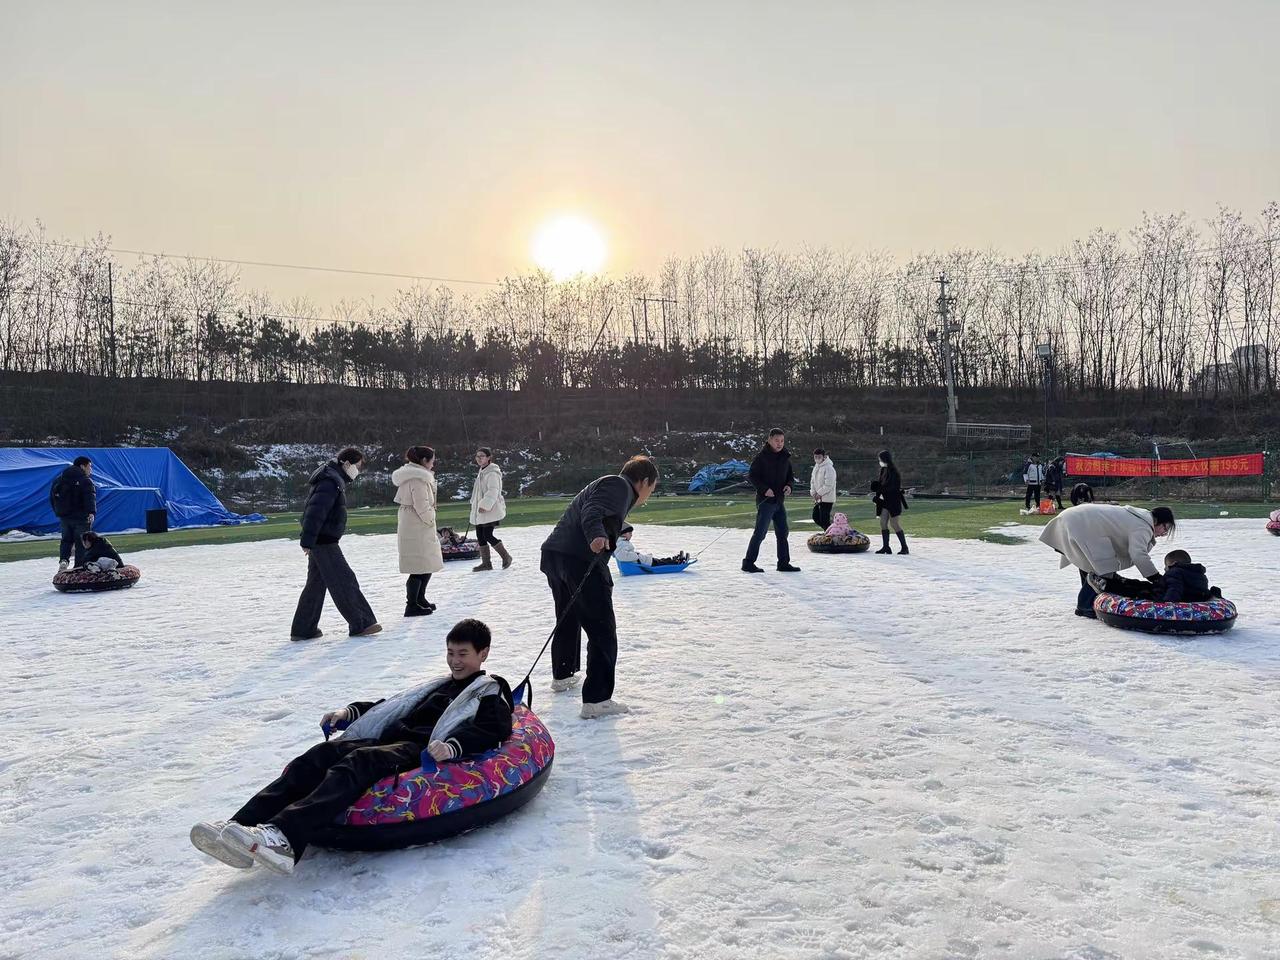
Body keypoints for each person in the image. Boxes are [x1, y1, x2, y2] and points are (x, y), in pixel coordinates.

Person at [189, 618, 513, 876]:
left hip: (418, 748)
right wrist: (349, 713)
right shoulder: (438, 685)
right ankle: (241, 826)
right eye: (451, 653)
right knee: (319, 755)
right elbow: (393, 706)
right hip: (388, 738)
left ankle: (284, 838)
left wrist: (453, 746)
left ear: (483, 653)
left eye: (463, 654)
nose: (455, 661)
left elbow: (494, 728)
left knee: (360, 760)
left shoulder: (488, 689)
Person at [541, 456, 659, 719]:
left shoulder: (610, 485)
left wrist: (619, 527)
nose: (648, 496)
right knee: (602, 627)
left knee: (568, 617)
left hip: (556, 555)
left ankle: (563, 674)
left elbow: (596, 508)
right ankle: (597, 699)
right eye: (652, 489)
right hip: (580, 559)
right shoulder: (619, 485)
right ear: (644, 481)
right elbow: (593, 511)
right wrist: (596, 534)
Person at [290, 447, 381, 641]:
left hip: (321, 539)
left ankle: (303, 629)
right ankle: (362, 622)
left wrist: (309, 540)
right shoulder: (330, 481)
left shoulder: (331, 477)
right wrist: (307, 541)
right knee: (344, 580)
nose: (357, 471)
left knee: (315, 585)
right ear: (347, 464)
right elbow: (315, 512)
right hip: (324, 541)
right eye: (357, 466)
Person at [1038, 502, 1177, 618]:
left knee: (1092, 565)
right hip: (1080, 524)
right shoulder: (1143, 526)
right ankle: (1085, 606)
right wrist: (1156, 578)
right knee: (1102, 568)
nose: (1164, 533)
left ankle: (1088, 603)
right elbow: (1138, 555)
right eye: (1165, 528)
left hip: (1074, 519)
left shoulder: (1140, 517)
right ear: (1157, 521)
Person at [392, 446, 444, 617]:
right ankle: (412, 604)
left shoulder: (415, 475)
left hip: (414, 524)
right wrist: (431, 518)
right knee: (418, 565)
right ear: (424, 461)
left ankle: (420, 599)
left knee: (425, 563)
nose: (433, 464)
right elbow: (422, 505)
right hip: (417, 525)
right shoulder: (418, 479)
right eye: (432, 461)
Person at [741, 429, 801, 574]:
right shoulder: (761, 457)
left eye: (782, 441)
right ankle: (748, 563)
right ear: (769, 440)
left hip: (779, 501)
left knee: (783, 532)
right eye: (776, 440)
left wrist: (789, 486)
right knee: (760, 533)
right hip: (766, 501)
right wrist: (764, 489)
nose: (779, 443)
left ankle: (783, 563)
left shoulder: (785, 457)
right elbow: (752, 476)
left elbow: (790, 477)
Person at [1088, 549, 1219, 603]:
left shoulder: (1175, 572)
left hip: (1159, 596)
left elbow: (1175, 588)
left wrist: (1168, 603)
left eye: (1166, 566)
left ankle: (1107, 585)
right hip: (1185, 598)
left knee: (1138, 589)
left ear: (1172, 564)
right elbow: (1201, 591)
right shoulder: (1199, 574)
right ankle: (1120, 580)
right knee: (1143, 584)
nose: (1165, 569)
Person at [49, 455, 96, 571]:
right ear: (82, 466)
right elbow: (90, 498)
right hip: (81, 518)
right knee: (81, 542)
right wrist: (91, 512)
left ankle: (64, 561)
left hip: (65, 517)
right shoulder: (86, 481)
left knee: (66, 540)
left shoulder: (59, 479)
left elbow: (52, 497)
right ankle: (79, 566)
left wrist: (58, 512)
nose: (90, 469)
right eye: (89, 466)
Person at [469, 447, 512, 571]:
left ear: (488, 458)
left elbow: (493, 491)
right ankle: (486, 563)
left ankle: (506, 556)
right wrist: (475, 505)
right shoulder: (482, 471)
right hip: (480, 510)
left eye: (482, 456)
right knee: (480, 535)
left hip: (490, 510)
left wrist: (485, 505)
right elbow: (477, 492)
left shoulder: (492, 473)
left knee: (487, 535)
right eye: (477, 456)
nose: (479, 458)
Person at [871, 449, 909, 555]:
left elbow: (893, 488)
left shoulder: (894, 472)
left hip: (893, 501)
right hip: (885, 501)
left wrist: (881, 489)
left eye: (880, 459)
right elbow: (881, 485)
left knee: (894, 523)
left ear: (885, 459)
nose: (879, 461)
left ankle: (904, 547)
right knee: (883, 522)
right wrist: (877, 493)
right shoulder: (883, 470)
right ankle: (886, 547)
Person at [613, 524, 688, 567]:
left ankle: (674, 559)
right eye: (629, 533)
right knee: (661, 563)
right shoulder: (621, 543)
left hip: (642, 560)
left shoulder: (622, 542)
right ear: (623, 534)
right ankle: (677, 562)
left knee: (660, 561)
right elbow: (622, 556)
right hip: (643, 562)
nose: (631, 535)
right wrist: (636, 555)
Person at [810, 448, 837, 530]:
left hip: (827, 498)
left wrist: (819, 493)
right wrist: (813, 492)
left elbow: (829, 484)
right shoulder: (816, 467)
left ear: (824, 457)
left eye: (819, 457)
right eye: (815, 457)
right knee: (816, 517)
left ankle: (831, 532)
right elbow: (812, 481)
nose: (817, 459)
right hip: (818, 498)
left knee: (824, 519)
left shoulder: (829, 468)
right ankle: (830, 530)